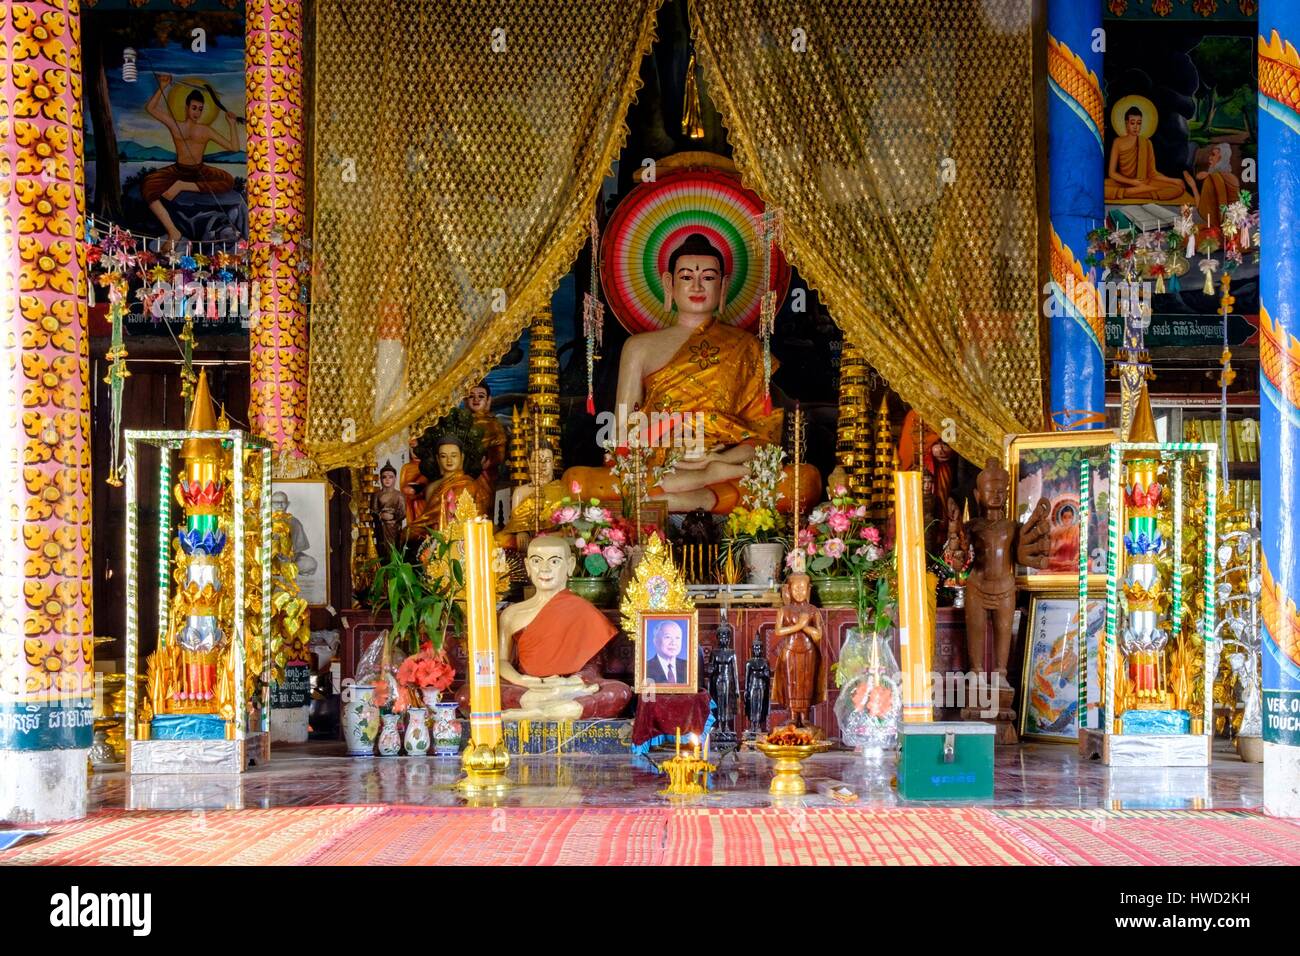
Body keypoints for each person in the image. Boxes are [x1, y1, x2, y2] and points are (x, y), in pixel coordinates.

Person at [563, 232, 820, 514]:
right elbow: (624, 433)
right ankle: (707, 494)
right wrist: (676, 442)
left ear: (724, 286)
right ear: (668, 283)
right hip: (660, 464)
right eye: (686, 277)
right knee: (578, 481)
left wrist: (718, 459)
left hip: (727, 462)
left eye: (708, 277)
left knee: (804, 482)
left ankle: (696, 488)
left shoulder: (747, 348)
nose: (697, 285)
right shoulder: (639, 347)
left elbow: (764, 438)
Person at [455, 535, 631, 720]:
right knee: (469, 695)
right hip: (527, 686)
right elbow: (501, 661)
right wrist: (521, 680)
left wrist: (570, 683)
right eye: (537, 561)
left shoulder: (583, 610)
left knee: (619, 692)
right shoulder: (512, 614)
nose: (545, 569)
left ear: (570, 565)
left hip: (570, 687)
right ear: (527, 566)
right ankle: (557, 710)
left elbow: (594, 667)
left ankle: (534, 712)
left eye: (554, 561)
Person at [142, 75, 242, 243]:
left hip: (199, 171)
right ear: (187, 107)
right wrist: (163, 86)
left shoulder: (205, 130)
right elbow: (151, 109)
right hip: (178, 169)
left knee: (228, 181)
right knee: (148, 186)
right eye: (194, 108)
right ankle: (173, 232)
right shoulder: (175, 125)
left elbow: (234, 148)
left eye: (200, 109)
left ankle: (182, 185)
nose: (197, 112)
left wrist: (231, 124)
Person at [1104, 106, 1188, 203]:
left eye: (1139, 123)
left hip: (1144, 182)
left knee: (1177, 188)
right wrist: (1132, 182)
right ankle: (1138, 192)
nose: (1136, 126)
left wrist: (1174, 181)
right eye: (1132, 123)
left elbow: (1153, 173)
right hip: (1123, 182)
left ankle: (1129, 193)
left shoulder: (1146, 143)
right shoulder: (1118, 142)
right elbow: (1112, 173)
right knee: (1100, 188)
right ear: (1126, 124)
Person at [1182, 142, 1239, 230]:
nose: (1210, 158)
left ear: (1221, 158)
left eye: (1213, 155)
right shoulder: (1233, 178)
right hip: (1233, 226)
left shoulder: (1212, 179)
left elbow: (1203, 212)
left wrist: (1193, 186)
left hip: (1220, 228)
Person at [465, 382, 507, 487]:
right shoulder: (461, 422)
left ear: (488, 400)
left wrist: (488, 462)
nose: (476, 399)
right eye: (471, 396)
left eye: (481, 396)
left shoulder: (493, 423)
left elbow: (500, 449)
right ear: (465, 400)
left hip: (486, 472)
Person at [271, 490, 318, 577]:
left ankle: (285, 569)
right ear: (271, 504)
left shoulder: (294, 522)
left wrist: (289, 557)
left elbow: (298, 549)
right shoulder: (266, 521)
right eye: (276, 502)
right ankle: (282, 569)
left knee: (311, 563)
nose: (280, 505)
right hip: (271, 558)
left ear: (288, 504)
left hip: (290, 558)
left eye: (283, 502)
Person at [372, 462, 406, 552]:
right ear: (380, 479)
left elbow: (403, 513)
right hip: (381, 526)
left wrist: (393, 517)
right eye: (384, 477)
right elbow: (373, 511)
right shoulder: (377, 495)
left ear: (395, 479)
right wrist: (380, 515)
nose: (387, 480)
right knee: (382, 549)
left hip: (394, 527)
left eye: (390, 477)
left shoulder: (399, 495)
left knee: (394, 549)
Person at [645, 619, 689, 686]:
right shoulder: (645, 668)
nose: (673, 643)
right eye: (668, 637)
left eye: (677, 638)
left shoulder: (688, 666)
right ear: (655, 641)